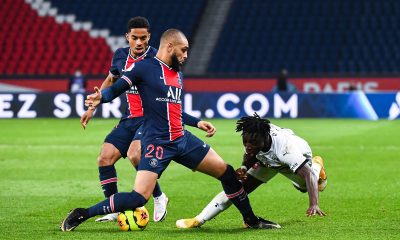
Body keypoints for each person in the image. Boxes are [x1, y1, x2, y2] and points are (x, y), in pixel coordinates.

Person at [60, 29, 281, 231]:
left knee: (227, 172)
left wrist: (197, 122)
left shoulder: (177, 74)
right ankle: (83, 213)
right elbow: (118, 87)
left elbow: (173, 109)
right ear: (169, 46)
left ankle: (251, 220)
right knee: (138, 198)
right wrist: (101, 97)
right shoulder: (144, 68)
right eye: (183, 50)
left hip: (183, 140)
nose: (185, 55)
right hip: (157, 144)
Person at [79, 17, 169, 223]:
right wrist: (93, 106)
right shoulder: (120, 55)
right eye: (134, 38)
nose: (139, 42)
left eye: (143, 38)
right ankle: (114, 206)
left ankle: (158, 196)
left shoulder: (158, 58)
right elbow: (112, 79)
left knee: (135, 155)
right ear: (127, 37)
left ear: (149, 37)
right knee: (105, 157)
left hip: (150, 118)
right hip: (129, 118)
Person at [176, 113, 327, 229]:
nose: (248, 146)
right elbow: (250, 155)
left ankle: (317, 165)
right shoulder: (252, 137)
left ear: (265, 137)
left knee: (305, 186)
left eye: (252, 143)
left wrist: (314, 204)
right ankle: (198, 219)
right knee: (237, 187)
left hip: (293, 160)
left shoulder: (286, 150)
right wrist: (243, 168)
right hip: (267, 161)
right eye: (245, 142)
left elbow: (306, 174)